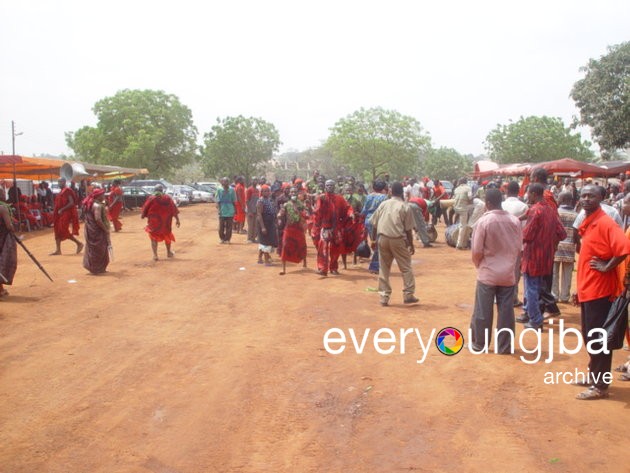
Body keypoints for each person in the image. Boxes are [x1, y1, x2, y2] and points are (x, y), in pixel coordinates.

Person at [573, 184, 630, 400]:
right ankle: (594, 376)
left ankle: (600, 386)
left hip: (600, 291)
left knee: (598, 339)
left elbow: (624, 248)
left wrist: (607, 267)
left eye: (591, 196)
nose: (586, 199)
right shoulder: (589, 222)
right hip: (588, 290)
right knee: (590, 337)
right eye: (584, 195)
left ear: (601, 199)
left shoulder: (605, 222)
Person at [469, 189, 522, 353]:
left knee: (483, 311)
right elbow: (518, 248)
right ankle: (505, 347)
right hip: (508, 273)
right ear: (502, 201)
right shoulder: (514, 221)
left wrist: (479, 265)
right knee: (506, 312)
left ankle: (480, 344)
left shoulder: (484, 222)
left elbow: (476, 250)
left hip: (488, 273)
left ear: (488, 203)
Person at [517, 184, 566, 329]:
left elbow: (527, 235)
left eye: (528, 194)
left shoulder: (535, 210)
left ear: (533, 194)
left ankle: (535, 320)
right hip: (547, 257)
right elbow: (562, 233)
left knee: (531, 289)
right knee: (537, 288)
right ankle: (534, 316)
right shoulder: (550, 210)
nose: (527, 196)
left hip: (533, 256)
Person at [369, 181, 418, 306]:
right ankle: (408, 294)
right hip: (397, 240)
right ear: (402, 192)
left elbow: (373, 223)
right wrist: (411, 245)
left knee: (384, 269)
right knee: (406, 268)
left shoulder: (384, 204)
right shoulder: (405, 206)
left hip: (382, 238)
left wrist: (374, 240)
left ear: (391, 192)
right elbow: (408, 230)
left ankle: (384, 297)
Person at [311, 179, 354, 276]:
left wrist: (350, 213)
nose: (329, 187)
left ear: (334, 187)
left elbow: (347, 208)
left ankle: (333, 268)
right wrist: (320, 201)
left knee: (336, 249)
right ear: (325, 187)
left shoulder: (340, 198)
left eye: (331, 185)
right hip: (325, 228)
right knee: (323, 249)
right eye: (328, 185)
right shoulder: (321, 198)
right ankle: (322, 268)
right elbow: (317, 212)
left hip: (336, 228)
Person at [502, 180, 529, 307]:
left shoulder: (501, 204)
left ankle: (500, 296)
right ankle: (513, 297)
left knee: (501, 269)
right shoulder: (523, 207)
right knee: (515, 271)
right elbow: (525, 228)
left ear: (507, 191)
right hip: (516, 244)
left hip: (500, 243)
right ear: (519, 191)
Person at [141, 184, 180, 261]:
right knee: (167, 235)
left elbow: (145, 207)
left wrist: (143, 215)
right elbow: (174, 209)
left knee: (153, 237)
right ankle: (168, 252)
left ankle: (155, 255)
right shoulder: (168, 198)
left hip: (154, 222)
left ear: (155, 190)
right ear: (162, 190)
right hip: (166, 222)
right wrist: (177, 219)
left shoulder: (151, 198)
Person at [552, 192, 578, 303]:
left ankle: (554, 295)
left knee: (554, 273)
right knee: (567, 273)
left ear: (561, 199)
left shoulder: (555, 213)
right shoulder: (576, 215)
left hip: (556, 246)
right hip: (570, 246)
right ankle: (564, 296)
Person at [277, 187, 307, 275]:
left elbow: (306, 213)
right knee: (285, 245)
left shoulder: (301, 204)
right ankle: (284, 269)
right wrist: (279, 215)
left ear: (297, 193)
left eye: (295, 192)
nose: (293, 193)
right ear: (289, 194)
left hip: (298, 228)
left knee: (302, 245)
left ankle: (304, 262)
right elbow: (281, 213)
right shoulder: (286, 204)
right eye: (292, 192)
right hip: (289, 228)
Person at [361, 179, 389, 274]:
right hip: (379, 221)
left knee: (375, 243)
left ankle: (377, 264)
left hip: (368, 221)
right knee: (379, 244)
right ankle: (375, 266)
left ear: (374, 188)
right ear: (383, 188)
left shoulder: (369, 196)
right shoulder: (384, 197)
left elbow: (364, 210)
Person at [50, 177, 83, 255]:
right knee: (57, 230)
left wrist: (62, 209)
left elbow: (71, 202)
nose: (59, 183)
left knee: (63, 230)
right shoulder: (61, 191)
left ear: (64, 182)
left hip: (65, 213)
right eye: (58, 182)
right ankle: (58, 250)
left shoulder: (67, 190)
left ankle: (79, 243)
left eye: (61, 182)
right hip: (58, 214)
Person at [82, 188, 110, 274]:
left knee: (93, 249)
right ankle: (98, 268)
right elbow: (98, 219)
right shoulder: (97, 206)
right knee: (100, 249)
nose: (104, 196)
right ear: (98, 196)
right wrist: (105, 229)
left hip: (90, 230)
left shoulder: (88, 204)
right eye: (102, 195)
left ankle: (94, 267)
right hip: (97, 230)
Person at [0, 189, 17, 298]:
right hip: (3, 239)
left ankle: (1, 289)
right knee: (3, 263)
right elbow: (9, 226)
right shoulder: (3, 208)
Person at [256, 185, 278, 265]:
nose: (267, 192)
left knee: (268, 240)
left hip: (270, 222)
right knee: (265, 241)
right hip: (263, 222)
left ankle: (259, 258)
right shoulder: (260, 201)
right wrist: (262, 227)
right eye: (265, 191)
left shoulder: (269, 200)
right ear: (261, 192)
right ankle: (266, 260)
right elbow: (259, 214)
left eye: (268, 191)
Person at [453, 177, 473, 249]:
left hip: (456, 208)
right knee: (463, 225)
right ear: (466, 182)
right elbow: (470, 197)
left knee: (461, 224)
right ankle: (459, 244)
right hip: (463, 209)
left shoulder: (456, 189)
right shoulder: (468, 188)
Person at [215, 177, 236, 244]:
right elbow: (217, 200)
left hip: (230, 209)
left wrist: (235, 210)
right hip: (222, 209)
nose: (225, 183)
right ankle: (222, 238)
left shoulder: (232, 190)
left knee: (229, 226)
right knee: (221, 226)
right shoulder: (219, 189)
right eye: (224, 181)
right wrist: (218, 209)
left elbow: (234, 200)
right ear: (222, 182)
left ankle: (227, 239)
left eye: (227, 181)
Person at [245, 178, 260, 243]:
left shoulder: (257, 190)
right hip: (250, 210)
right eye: (254, 180)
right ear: (251, 181)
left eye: (256, 180)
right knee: (250, 225)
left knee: (255, 225)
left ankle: (253, 238)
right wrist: (249, 211)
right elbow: (247, 201)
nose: (255, 181)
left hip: (256, 209)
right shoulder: (249, 189)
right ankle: (249, 238)